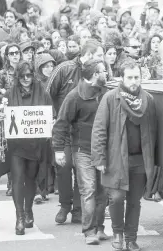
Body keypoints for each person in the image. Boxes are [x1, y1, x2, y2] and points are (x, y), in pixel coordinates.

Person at [92, 59, 158, 251]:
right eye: (129, 77)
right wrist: (99, 158)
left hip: (140, 160)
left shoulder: (148, 100)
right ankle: (118, 233)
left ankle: (131, 238)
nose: (133, 81)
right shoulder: (111, 98)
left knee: (134, 202)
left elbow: (154, 132)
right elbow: (99, 129)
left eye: (137, 77)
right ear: (122, 78)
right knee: (117, 198)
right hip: (115, 159)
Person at [46, 39, 104, 225]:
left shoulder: (100, 73)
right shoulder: (65, 69)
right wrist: (53, 116)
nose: (102, 60)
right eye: (99, 56)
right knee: (63, 167)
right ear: (88, 56)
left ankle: (78, 210)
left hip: (83, 133)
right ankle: (65, 205)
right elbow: (47, 93)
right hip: (64, 127)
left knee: (82, 171)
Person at [52, 59, 109, 245]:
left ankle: (100, 227)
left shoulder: (106, 92)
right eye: (103, 71)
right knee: (89, 190)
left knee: (102, 191)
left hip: (103, 150)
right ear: (94, 75)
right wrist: (59, 150)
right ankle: (89, 231)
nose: (107, 74)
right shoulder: (74, 96)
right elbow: (61, 124)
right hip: (82, 150)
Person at [0, 61, 52, 235]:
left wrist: (50, 122)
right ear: (17, 77)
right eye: (22, 76)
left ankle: (28, 210)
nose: (26, 79)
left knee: (30, 179)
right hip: (16, 146)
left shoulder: (42, 92)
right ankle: (19, 217)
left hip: (36, 145)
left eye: (29, 75)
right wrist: (0, 116)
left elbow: (51, 113)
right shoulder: (9, 94)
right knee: (17, 178)